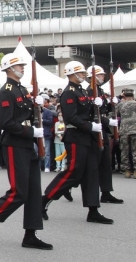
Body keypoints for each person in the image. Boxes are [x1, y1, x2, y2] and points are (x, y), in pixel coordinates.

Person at [0, 53, 52, 250]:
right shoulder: (6, 92)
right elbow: (7, 123)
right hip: (14, 143)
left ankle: (30, 235)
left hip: (27, 143)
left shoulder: (22, 89)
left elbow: (25, 115)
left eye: (23, 65)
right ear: (9, 68)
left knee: (33, 192)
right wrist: (32, 131)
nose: (23, 68)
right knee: (19, 192)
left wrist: (37, 107)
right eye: (19, 66)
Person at [41, 61, 113, 224]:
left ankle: (93, 210)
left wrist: (100, 107)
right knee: (73, 172)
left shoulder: (82, 90)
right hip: (76, 136)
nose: (83, 75)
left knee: (91, 173)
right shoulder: (68, 93)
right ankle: (44, 200)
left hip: (88, 137)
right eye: (80, 72)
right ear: (71, 74)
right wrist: (90, 126)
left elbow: (88, 113)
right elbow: (71, 118)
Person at [86, 66, 123, 203]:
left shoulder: (100, 91)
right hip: (94, 130)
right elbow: (90, 113)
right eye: (100, 75)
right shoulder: (89, 91)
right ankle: (68, 187)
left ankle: (106, 192)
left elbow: (103, 110)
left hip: (103, 129)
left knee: (106, 163)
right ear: (93, 76)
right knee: (92, 165)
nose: (103, 77)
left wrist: (111, 103)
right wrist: (108, 121)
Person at [116, 89, 136, 177]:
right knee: (135, 150)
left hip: (124, 130)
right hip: (135, 129)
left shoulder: (120, 105)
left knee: (124, 151)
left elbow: (114, 115)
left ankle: (127, 170)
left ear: (124, 96)